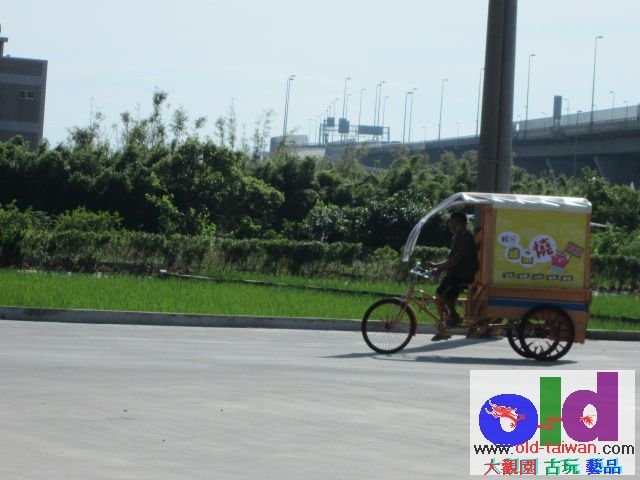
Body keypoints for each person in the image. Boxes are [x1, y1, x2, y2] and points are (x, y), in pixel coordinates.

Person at [424, 211, 478, 341]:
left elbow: (457, 258)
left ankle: (454, 317)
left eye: (455, 223)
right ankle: (444, 327)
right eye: (451, 223)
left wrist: (439, 269)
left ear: (464, 224)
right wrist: (436, 265)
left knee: (446, 297)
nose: (452, 226)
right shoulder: (457, 237)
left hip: (462, 275)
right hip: (454, 274)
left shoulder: (466, 237)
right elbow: (451, 258)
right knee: (438, 296)